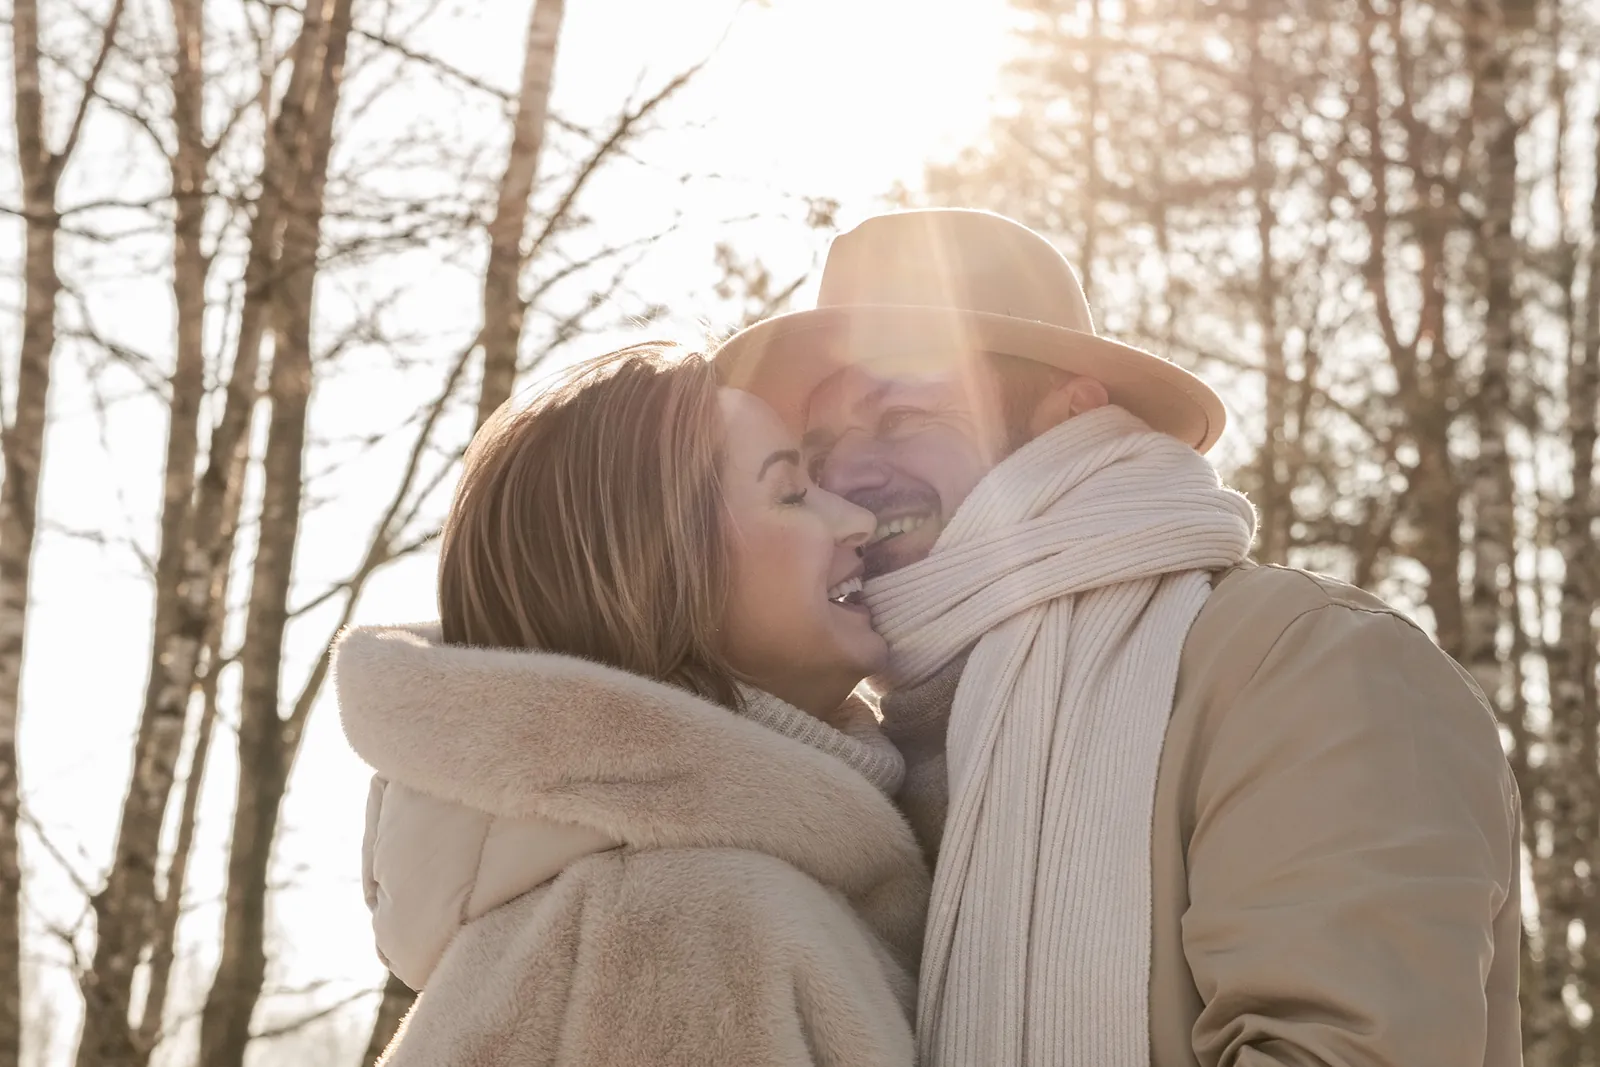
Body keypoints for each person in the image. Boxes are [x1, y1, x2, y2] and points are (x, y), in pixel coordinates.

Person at [716, 208, 1522, 1067]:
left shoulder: (1309, 663)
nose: (850, 475)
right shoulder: (854, 753)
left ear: (1072, 413)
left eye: (904, 418)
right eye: (823, 446)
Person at [333, 343, 929, 1066]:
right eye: (793, 493)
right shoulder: (683, 924)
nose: (856, 519)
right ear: (661, 574)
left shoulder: (644, 899)